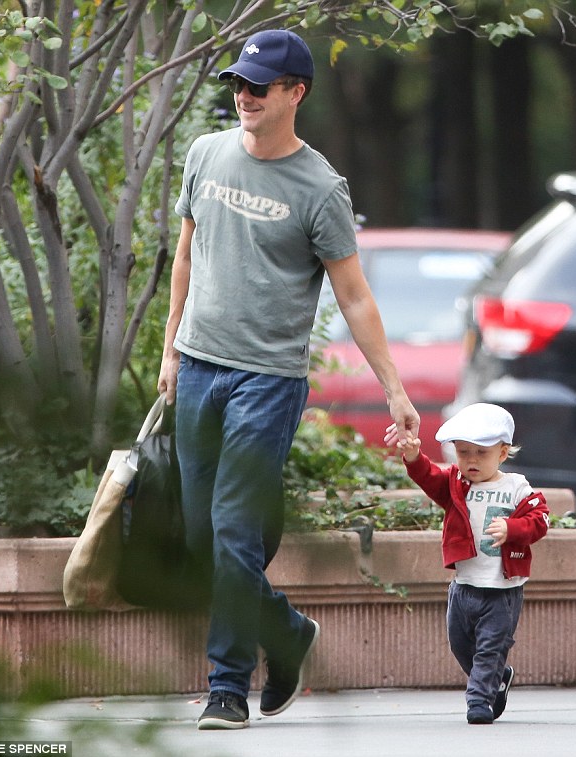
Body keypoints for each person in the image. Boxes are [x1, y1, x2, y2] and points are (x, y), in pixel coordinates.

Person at [157, 28, 419, 731]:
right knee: (200, 539)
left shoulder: (320, 188)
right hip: (199, 362)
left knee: (233, 529)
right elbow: (186, 253)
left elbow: (355, 296)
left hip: (267, 380)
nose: (242, 95)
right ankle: (288, 630)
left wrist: (394, 387)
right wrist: (169, 348)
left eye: (258, 87)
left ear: (295, 93)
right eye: (238, 84)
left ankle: (226, 686)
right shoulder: (205, 153)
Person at [389, 403, 549, 725]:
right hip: (463, 586)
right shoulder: (456, 484)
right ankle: (497, 677)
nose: (471, 461)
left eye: (480, 452)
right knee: (461, 644)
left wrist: (512, 529)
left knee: (489, 648)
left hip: (502, 590)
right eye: (463, 453)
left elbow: (540, 519)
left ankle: (478, 702)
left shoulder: (516, 487)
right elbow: (429, 476)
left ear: (503, 453)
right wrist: (412, 456)